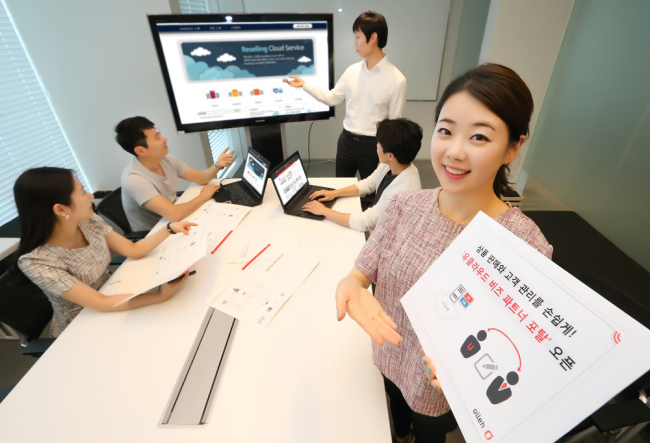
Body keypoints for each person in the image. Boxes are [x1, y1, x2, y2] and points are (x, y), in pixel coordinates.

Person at [334, 64, 553, 443]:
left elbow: (527, 350)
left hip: (442, 392)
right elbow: (360, 274)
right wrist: (350, 285)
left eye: (479, 137)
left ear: (513, 147)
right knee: (394, 416)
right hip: (387, 355)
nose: (454, 151)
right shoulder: (404, 206)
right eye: (446, 131)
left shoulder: (524, 243)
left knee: (429, 432)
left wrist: (474, 378)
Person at [13, 167, 197, 338]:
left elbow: (132, 249)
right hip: (83, 324)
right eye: (82, 192)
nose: (91, 195)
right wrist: (160, 296)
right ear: (61, 209)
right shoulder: (36, 261)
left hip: (114, 292)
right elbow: (100, 302)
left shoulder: (87, 220)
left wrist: (169, 229)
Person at [283, 11, 407, 180]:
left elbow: (395, 126)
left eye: (358, 36)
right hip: (346, 143)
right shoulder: (352, 71)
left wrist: (384, 159)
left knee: (370, 193)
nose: (354, 43)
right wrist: (304, 84)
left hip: (373, 147)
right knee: (341, 187)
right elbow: (331, 98)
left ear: (373, 38)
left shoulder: (397, 80)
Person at [301, 118, 422, 232]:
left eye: (379, 143)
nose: (376, 145)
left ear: (391, 155)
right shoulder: (393, 164)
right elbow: (368, 184)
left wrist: (324, 211)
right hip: (379, 223)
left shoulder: (401, 193)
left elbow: (363, 222)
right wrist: (334, 193)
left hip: (385, 236)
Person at [116, 116, 234, 232]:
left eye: (160, 134)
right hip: (154, 233)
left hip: (173, 221)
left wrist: (218, 165)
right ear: (141, 151)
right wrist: (203, 196)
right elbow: (174, 214)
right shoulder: (134, 180)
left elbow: (200, 178)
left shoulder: (166, 159)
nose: (164, 139)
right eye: (157, 138)